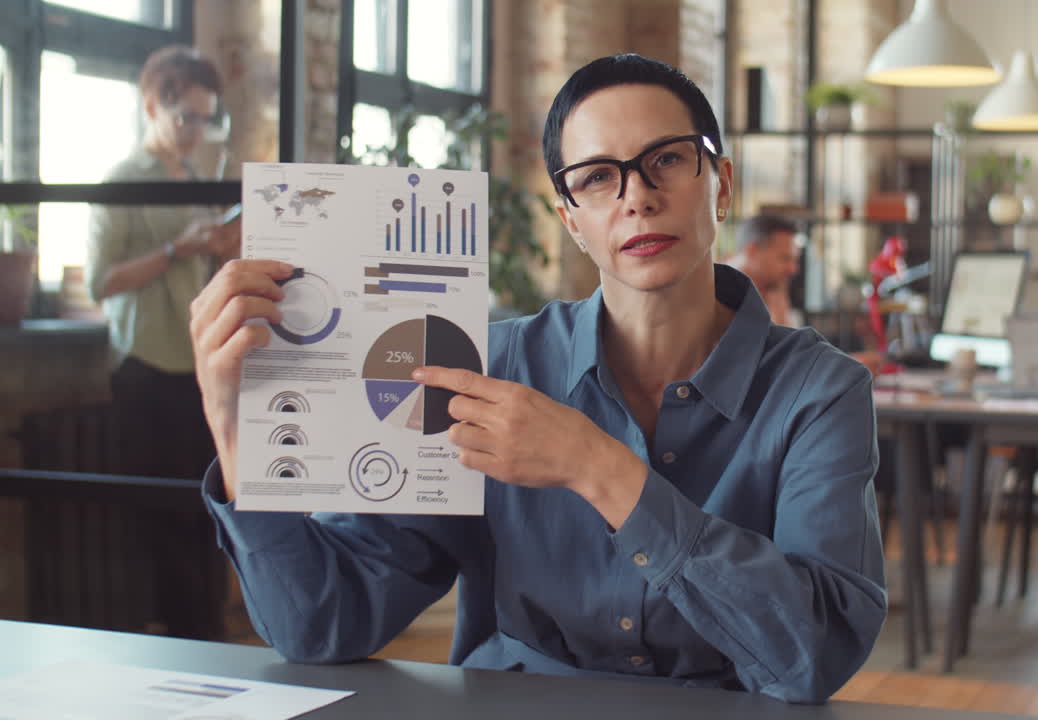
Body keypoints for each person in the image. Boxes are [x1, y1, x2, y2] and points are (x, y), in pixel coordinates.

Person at [191, 54, 885, 703]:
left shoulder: (821, 392)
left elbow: (813, 656)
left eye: (666, 161)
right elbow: (323, 624)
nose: (636, 197)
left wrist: (597, 468)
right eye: (596, 178)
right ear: (571, 221)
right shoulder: (486, 371)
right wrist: (235, 426)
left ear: (721, 185)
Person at [85, 45, 239, 639]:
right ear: (152, 106)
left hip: (200, 370)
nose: (195, 131)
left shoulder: (199, 180)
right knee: (160, 517)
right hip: (148, 369)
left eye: (205, 118)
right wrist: (180, 248)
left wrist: (222, 247)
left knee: (205, 512)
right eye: (186, 118)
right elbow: (101, 280)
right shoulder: (121, 181)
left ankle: (206, 635)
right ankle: (178, 638)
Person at [725, 214, 883, 374]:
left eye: (794, 260)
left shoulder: (771, 290)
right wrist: (843, 367)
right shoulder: (721, 295)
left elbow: (792, 357)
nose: (793, 269)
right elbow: (768, 370)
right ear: (752, 251)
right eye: (784, 259)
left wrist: (846, 364)